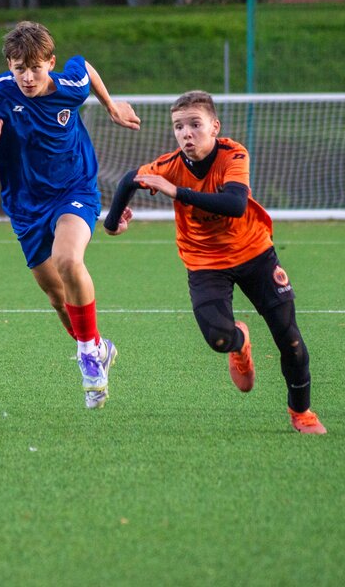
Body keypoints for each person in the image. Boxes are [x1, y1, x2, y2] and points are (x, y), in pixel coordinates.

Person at [103, 89, 326, 434]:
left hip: (254, 253)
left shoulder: (233, 154)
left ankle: (301, 412)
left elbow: (235, 204)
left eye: (195, 124)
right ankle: (240, 344)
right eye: (179, 127)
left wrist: (177, 191)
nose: (186, 133)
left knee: (290, 339)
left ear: (214, 127)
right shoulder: (169, 166)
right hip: (204, 261)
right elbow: (130, 178)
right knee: (219, 339)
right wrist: (112, 222)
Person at [0, 21, 141, 409]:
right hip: (25, 206)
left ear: (50, 63)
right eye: (19, 68)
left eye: (36, 68)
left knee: (67, 259)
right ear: (9, 65)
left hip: (75, 189)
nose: (27, 77)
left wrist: (111, 106)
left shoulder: (69, 86)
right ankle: (98, 347)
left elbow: (85, 66)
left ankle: (89, 361)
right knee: (57, 298)